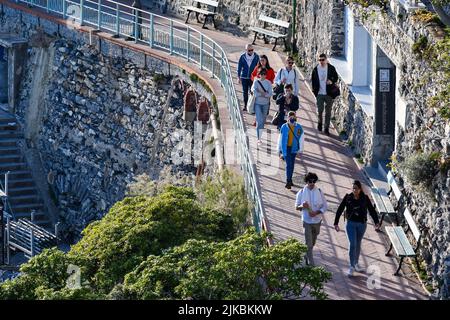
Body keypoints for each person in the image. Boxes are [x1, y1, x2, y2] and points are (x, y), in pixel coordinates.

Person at [334, 180, 381, 277]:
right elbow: (340, 209)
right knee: (352, 243)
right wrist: (336, 222)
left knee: (358, 243)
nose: (354, 190)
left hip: (362, 224)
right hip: (350, 224)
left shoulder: (365, 198)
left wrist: (376, 222)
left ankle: (356, 263)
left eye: (356, 188)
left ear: (360, 189)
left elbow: (371, 210)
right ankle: (351, 266)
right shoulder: (348, 197)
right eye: (353, 188)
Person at [295, 172, 327, 266]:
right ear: (306, 181)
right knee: (308, 242)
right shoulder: (301, 192)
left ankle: (306, 255)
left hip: (317, 221)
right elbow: (296, 207)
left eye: (314, 181)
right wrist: (302, 206)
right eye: (310, 181)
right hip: (307, 221)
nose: (312, 183)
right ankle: (311, 263)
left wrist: (316, 212)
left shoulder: (320, 191)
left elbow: (325, 206)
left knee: (312, 241)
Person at [311, 53, 339, 135]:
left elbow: (336, 77)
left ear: (326, 60)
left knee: (328, 112)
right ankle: (320, 122)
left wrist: (331, 81)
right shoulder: (316, 69)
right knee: (320, 110)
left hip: (329, 93)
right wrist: (314, 91)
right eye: (319, 60)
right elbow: (313, 81)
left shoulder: (331, 68)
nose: (321, 61)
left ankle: (326, 128)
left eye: (323, 60)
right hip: (319, 93)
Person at [278, 111, 304, 189]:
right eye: (290, 117)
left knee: (292, 164)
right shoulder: (284, 126)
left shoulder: (299, 127)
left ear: (295, 117)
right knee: (288, 164)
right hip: (286, 149)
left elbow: (301, 139)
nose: (292, 118)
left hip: (294, 148)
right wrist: (279, 150)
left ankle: (290, 179)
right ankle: (288, 181)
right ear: (288, 118)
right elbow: (280, 139)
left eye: (293, 117)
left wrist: (300, 150)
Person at [251, 68, 273, 144]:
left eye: (264, 74)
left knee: (262, 121)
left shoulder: (268, 83)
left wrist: (261, 93)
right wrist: (263, 94)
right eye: (261, 74)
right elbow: (254, 92)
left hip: (265, 104)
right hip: (257, 104)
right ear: (259, 74)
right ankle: (259, 139)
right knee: (259, 120)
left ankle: (260, 135)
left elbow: (270, 93)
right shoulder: (256, 82)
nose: (263, 75)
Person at [237, 44, 260, 111]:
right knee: (245, 92)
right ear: (246, 50)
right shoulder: (242, 57)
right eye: (249, 50)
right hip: (244, 77)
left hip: (252, 78)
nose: (251, 52)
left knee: (252, 92)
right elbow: (239, 67)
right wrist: (238, 77)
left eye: (252, 50)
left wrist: (257, 76)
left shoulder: (256, 57)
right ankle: (245, 105)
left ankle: (251, 105)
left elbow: (258, 67)